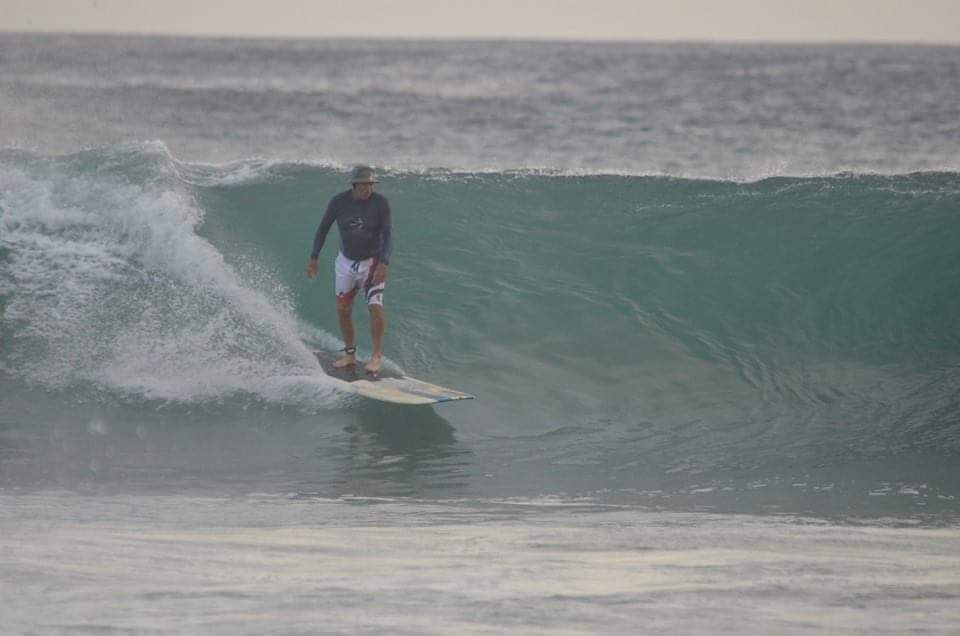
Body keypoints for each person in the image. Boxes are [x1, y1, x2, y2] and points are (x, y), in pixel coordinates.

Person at [307, 165, 392, 374]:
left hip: (371, 263)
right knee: (343, 309)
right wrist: (314, 257)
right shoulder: (338, 202)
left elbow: (388, 235)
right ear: (354, 185)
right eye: (364, 185)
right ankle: (350, 354)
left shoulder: (381, 203)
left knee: (375, 306)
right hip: (345, 263)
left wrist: (384, 262)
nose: (368, 189)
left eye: (370, 185)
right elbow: (322, 229)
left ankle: (375, 356)